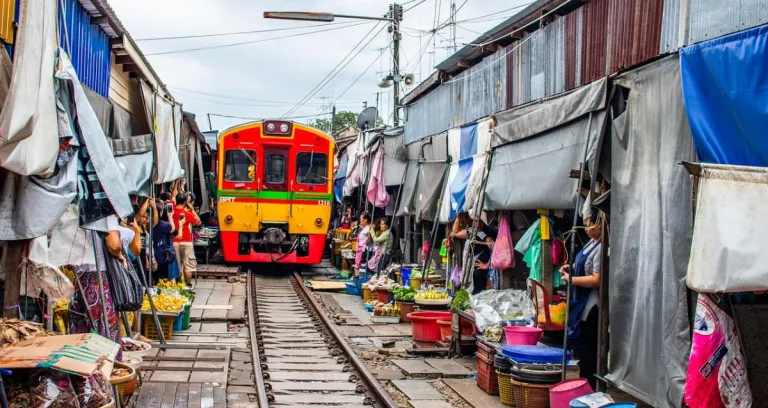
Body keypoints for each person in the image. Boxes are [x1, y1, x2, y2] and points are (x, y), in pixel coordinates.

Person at [559, 209, 604, 390]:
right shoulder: (591, 242)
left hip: (591, 305)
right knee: (580, 346)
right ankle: (585, 383)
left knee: (587, 348)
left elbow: (597, 279)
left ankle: (590, 386)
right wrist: (572, 267)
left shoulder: (602, 247)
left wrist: (571, 279)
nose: (585, 229)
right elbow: (582, 265)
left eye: (588, 225)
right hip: (579, 299)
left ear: (599, 223)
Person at [452, 214, 495, 295]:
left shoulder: (483, 234)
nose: (475, 223)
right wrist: (458, 217)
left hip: (480, 270)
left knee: (478, 290)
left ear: (482, 223)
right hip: (471, 267)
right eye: (474, 221)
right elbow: (456, 233)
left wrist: (487, 265)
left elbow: (494, 248)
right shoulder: (472, 231)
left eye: (477, 221)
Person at [172, 182, 201, 285]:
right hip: (187, 242)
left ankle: (180, 286)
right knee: (188, 266)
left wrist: (176, 184)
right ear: (185, 203)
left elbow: (173, 195)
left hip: (174, 242)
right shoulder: (186, 214)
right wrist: (192, 210)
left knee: (178, 266)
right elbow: (198, 222)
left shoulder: (172, 211)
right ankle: (188, 286)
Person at [354, 212, 371, 277]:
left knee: (361, 266)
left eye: (361, 219)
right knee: (357, 266)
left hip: (363, 251)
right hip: (360, 250)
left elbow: (369, 238)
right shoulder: (364, 228)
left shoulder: (368, 228)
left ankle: (360, 279)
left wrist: (365, 243)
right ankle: (358, 279)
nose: (360, 220)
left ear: (366, 220)